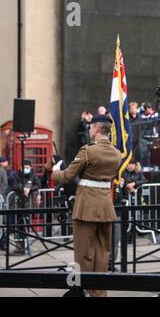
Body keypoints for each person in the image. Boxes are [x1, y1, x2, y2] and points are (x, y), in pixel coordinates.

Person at [53, 115, 121, 297]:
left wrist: (54, 171)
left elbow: (67, 176)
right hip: (106, 207)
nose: (89, 130)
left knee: (83, 254)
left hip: (86, 207)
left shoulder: (88, 151)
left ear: (97, 128)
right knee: (102, 253)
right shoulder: (116, 153)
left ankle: (82, 292)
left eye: (91, 127)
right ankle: (99, 293)